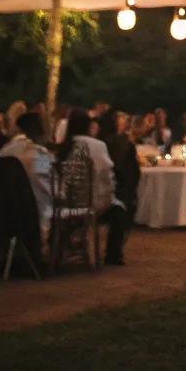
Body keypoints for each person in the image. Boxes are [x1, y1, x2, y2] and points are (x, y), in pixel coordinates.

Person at [59, 108, 125, 266]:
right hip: (89, 205)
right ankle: (113, 255)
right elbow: (107, 176)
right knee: (120, 210)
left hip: (63, 206)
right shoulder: (97, 145)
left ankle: (64, 246)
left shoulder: (64, 147)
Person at [0, 111, 54, 228]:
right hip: (38, 211)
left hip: (8, 209)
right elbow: (43, 184)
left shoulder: (6, 150)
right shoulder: (40, 155)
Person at [99, 108, 141, 263]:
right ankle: (114, 251)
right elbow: (131, 172)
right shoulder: (120, 143)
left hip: (106, 189)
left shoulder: (105, 141)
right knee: (125, 205)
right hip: (113, 192)